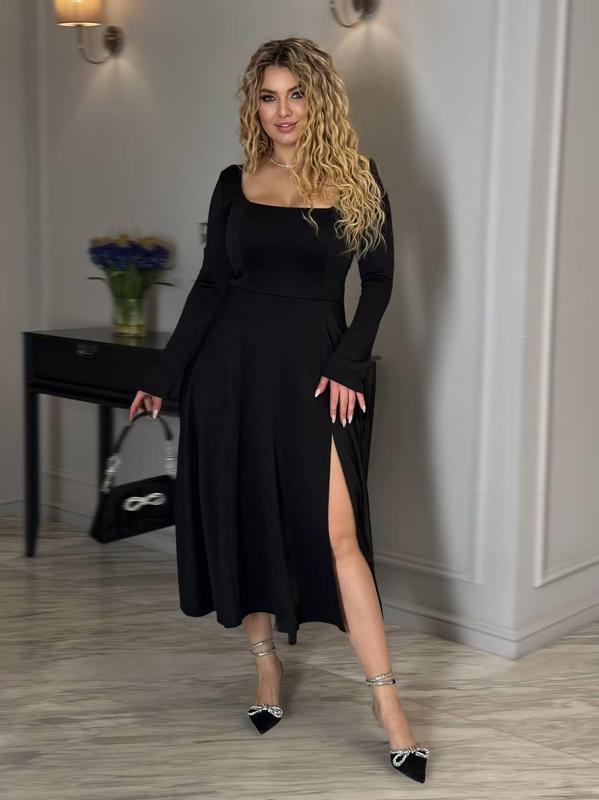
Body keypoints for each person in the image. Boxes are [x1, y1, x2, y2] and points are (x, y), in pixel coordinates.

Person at [129, 37, 430, 783]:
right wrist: (165, 374)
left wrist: (348, 362)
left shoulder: (358, 178)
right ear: (254, 105)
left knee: (338, 536)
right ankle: (265, 667)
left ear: (318, 100)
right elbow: (210, 286)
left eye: (295, 95)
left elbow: (380, 281)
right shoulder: (233, 182)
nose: (282, 111)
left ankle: (387, 705)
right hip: (229, 372)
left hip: (317, 373)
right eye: (268, 97)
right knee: (247, 519)